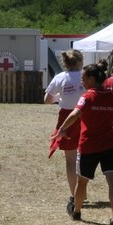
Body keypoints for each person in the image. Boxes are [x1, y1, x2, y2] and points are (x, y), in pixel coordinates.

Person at [56, 62, 113, 225]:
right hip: (110, 146)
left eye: (84, 78)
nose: (81, 81)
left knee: (82, 182)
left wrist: (62, 128)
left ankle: (77, 211)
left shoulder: (87, 97)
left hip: (88, 147)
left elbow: (76, 113)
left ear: (92, 79)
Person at [43, 49, 85, 216]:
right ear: (80, 62)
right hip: (84, 116)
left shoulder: (59, 78)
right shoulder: (85, 76)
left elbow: (47, 100)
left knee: (70, 161)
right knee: (84, 156)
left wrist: (60, 98)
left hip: (66, 119)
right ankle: (83, 190)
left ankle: (74, 194)